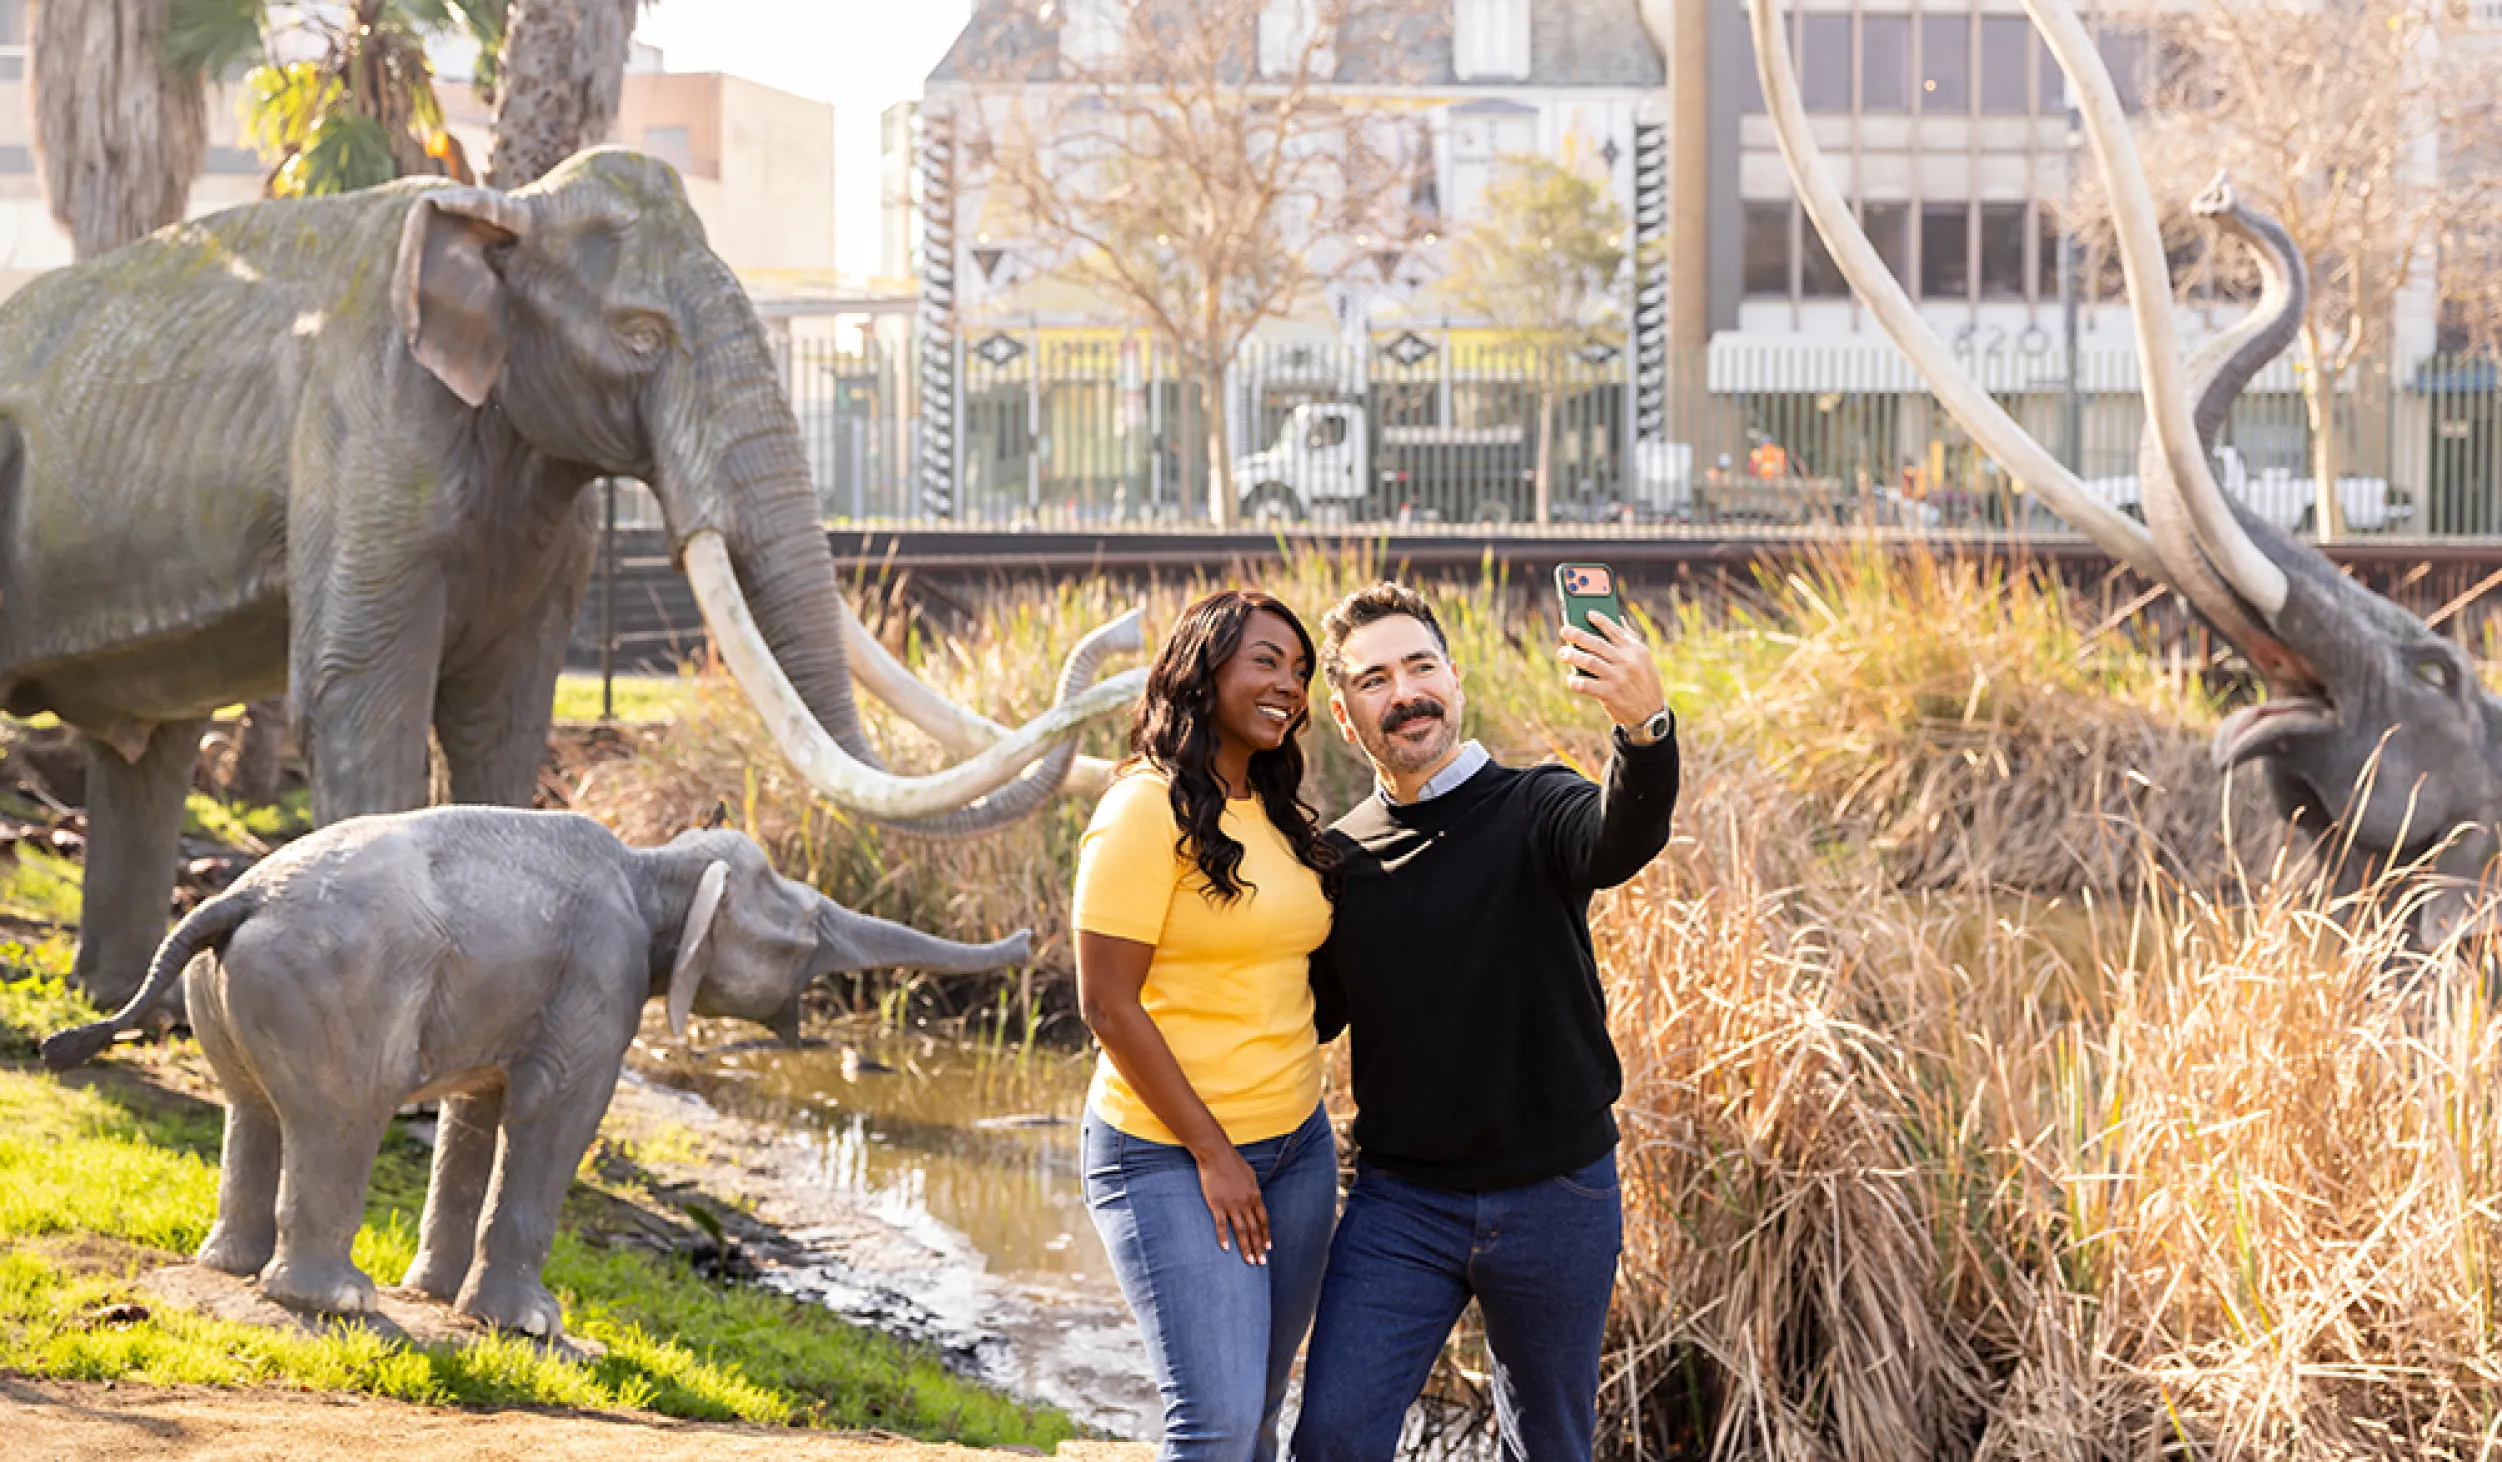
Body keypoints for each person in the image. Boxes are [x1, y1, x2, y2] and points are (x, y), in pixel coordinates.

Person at [1291, 581, 1678, 1462]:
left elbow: (1620, 839)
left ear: (1455, 681)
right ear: (1348, 719)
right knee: (1334, 1439)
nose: (1405, 693)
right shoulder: (1337, 863)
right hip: (1401, 1206)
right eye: (1375, 680)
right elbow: (1299, 1016)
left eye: (1421, 666)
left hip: (1559, 1196)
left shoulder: (1537, 804)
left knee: (1549, 1449)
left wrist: (1645, 729)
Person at [1074, 589, 1340, 1462]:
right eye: (1267, 660)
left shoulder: (1272, 810)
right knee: (1217, 1424)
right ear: (1204, 669)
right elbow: (1107, 1004)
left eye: (1299, 670)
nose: (1289, 685)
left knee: (1257, 1410)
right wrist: (1214, 1155)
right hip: (1170, 1155)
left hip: (1296, 1152)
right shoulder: (1142, 808)